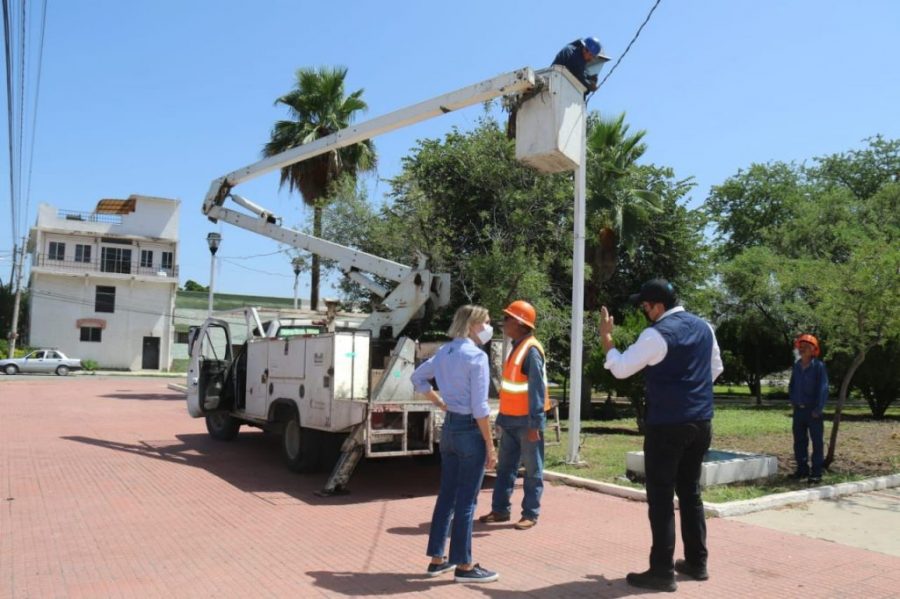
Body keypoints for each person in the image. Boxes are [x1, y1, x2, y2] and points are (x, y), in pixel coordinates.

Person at [599, 279, 723, 593]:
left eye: (645, 306)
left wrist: (607, 339)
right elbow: (715, 369)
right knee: (691, 492)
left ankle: (661, 570)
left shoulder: (656, 334)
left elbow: (622, 369)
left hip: (667, 425)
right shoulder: (705, 327)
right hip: (701, 422)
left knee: (661, 497)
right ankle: (697, 562)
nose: (644, 311)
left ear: (658, 306)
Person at [411, 304, 499, 584]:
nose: (488, 326)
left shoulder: (444, 352)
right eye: (486, 321)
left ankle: (438, 558)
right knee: (467, 501)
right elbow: (480, 407)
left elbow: (417, 378)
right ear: (473, 324)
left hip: (449, 428)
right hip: (469, 430)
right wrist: (490, 444)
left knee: (447, 495)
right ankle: (464, 564)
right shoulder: (476, 357)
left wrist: (440, 403)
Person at [479, 300, 549, 531]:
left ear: (519, 323)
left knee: (532, 469)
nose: (503, 322)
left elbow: (537, 391)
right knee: (505, 469)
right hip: (509, 419)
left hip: (526, 422)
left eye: (508, 318)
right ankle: (500, 510)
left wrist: (535, 424)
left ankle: (530, 513)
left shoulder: (530, 351)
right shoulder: (518, 346)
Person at [788, 333, 828, 484]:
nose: (802, 349)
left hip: (813, 411)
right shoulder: (797, 366)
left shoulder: (819, 367)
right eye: (801, 346)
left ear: (813, 350)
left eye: (806, 347)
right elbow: (792, 385)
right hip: (799, 411)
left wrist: (818, 409)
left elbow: (823, 389)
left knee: (817, 442)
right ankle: (802, 470)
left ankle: (816, 472)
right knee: (799, 442)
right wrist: (793, 400)